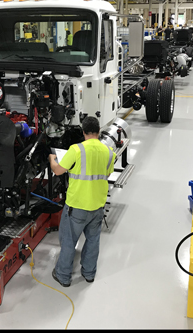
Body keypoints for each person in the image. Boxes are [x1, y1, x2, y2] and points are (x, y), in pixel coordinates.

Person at [48, 116, 116, 287]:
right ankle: (89, 273)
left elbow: (58, 171)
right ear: (99, 131)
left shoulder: (76, 150)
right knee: (93, 241)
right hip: (98, 206)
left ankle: (63, 275)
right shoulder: (109, 152)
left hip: (77, 207)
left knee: (70, 241)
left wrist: (52, 160)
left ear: (83, 132)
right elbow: (106, 175)